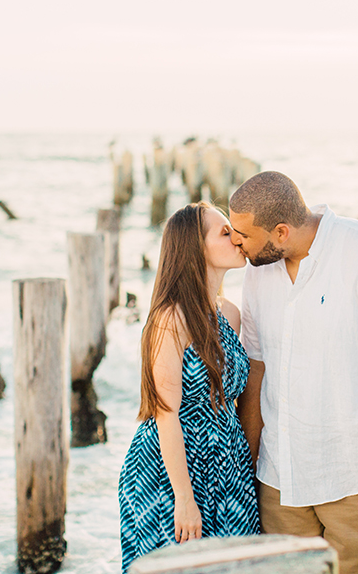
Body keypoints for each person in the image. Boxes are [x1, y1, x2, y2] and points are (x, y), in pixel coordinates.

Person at [228, 172, 358, 574]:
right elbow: (256, 370)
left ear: (282, 232)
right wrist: (250, 462)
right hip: (279, 480)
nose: (235, 242)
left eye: (243, 234)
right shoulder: (258, 270)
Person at [118, 202, 260, 572]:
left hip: (228, 466)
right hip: (170, 470)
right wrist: (184, 497)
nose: (237, 238)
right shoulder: (171, 317)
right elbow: (166, 414)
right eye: (224, 232)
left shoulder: (230, 314)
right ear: (195, 247)